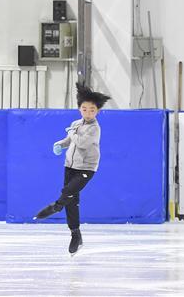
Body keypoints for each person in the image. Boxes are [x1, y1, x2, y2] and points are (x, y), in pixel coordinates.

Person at [34, 82, 110, 255]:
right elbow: (69, 140)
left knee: (67, 191)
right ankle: (75, 234)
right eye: (84, 109)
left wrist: (72, 134)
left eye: (92, 109)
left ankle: (55, 207)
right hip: (70, 166)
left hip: (87, 168)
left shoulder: (95, 129)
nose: (88, 112)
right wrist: (60, 144)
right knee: (72, 202)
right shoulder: (76, 123)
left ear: (97, 111)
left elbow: (82, 144)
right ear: (79, 109)